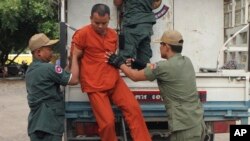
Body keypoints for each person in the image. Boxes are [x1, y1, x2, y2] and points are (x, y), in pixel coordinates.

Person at [70, 3, 152, 141]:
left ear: (109, 20)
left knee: (134, 109)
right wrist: (74, 71)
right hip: (95, 85)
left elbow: (114, 55)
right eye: (97, 23)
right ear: (90, 18)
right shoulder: (81, 34)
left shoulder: (113, 35)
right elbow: (74, 58)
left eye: (104, 23)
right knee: (108, 123)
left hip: (114, 81)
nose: (101, 27)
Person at [107, 30, 207, 141]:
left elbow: (134, 76)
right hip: (198, 124)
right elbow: (160, 68)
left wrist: (119, 63)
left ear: (167, 47)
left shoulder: (163, 67)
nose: (160, 47)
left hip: (184, 130)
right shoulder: (187, 61)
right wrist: (142, 64)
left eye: (161, 44)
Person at [25, 33, 80, 141]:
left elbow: (61, 76)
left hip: (35, 124)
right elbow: (74, 80)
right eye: (49, 49)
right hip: (50, 124)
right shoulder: (49, 68)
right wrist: (75, 58)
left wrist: (69, 64)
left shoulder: (30, 71)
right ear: (38, 52)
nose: (52, 52)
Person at [113, 0, 157, 69]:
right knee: (144, 60)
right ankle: (144, 76)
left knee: (124, 58)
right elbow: (156, 3)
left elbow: (117, 2)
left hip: (132, 23)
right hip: (147, 23)